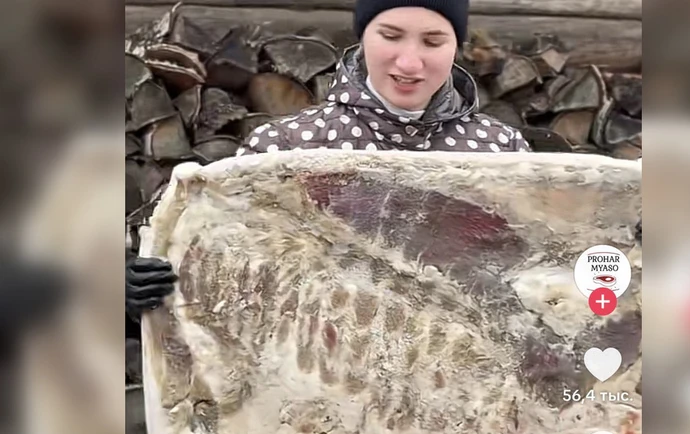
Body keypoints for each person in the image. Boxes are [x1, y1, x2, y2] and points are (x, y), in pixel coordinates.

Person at [126, 0, 532, 319]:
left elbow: (538, 273)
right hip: (321, 374)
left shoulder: (501, 150)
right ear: (363, 35)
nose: (410, 62)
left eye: (433, 41)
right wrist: (147, 284)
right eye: (391, 36)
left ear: (456, 45)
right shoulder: (286, 147)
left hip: (462, 375)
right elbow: (225, 266)